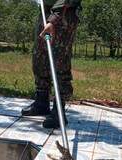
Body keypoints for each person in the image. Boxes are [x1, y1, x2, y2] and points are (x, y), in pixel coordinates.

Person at [21, 0, 82, 129]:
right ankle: (41, 103)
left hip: (63, 13)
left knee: (59, 62)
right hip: (45, 12)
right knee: (40, 59)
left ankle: (58, 111)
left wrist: (53, 20)